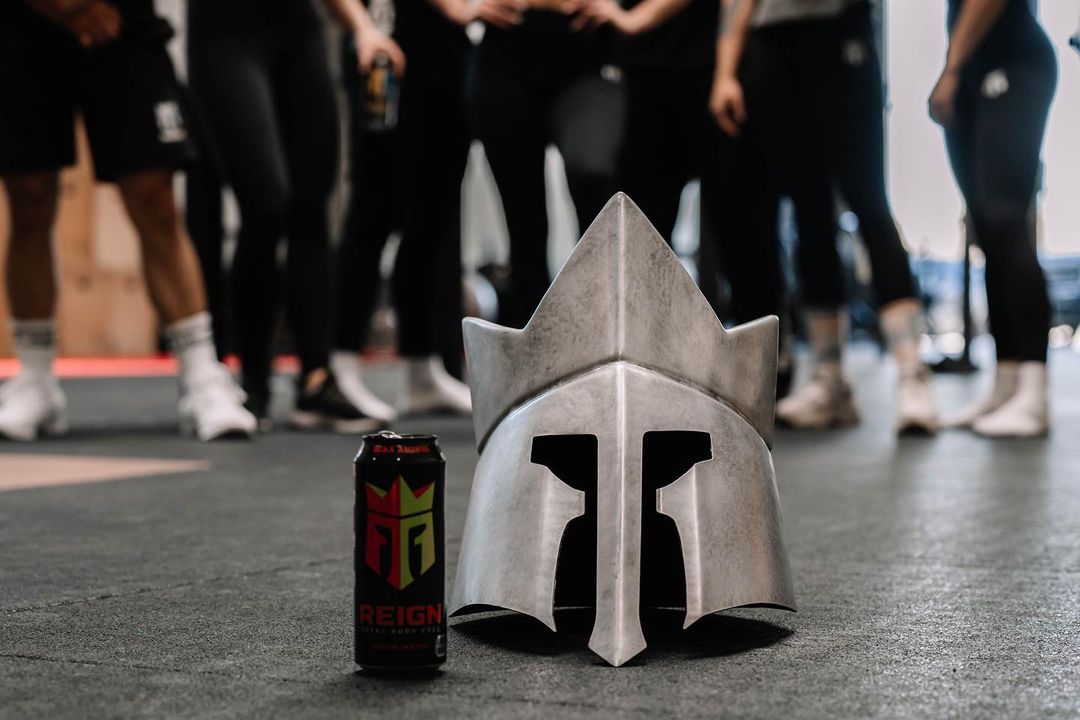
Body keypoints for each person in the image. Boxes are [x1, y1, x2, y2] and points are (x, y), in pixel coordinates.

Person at [0, 0, 256, 441]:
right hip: (24, 25)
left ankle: (202, 376)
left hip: (122, 21)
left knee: (155, 198)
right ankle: (35, 378)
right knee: (29, 201)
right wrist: (67, 7)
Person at [711, 0, 939, 434]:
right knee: (809, 210)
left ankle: (913, 377)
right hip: (772, 42)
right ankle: (831, 381)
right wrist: (725, 72)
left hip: (837, 29)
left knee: (867, 201)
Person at [186, 0, 403, 432]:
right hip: (225, 31)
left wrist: (362, 27)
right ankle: (253, 381)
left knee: (312, 205)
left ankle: (316, 380)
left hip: (299, 30)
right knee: (265, 202)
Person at [332, 0, 479, 418]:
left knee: (432, 218)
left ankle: (421, 370)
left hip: (446, 55)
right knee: (372, 211)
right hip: (386, 49)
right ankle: (340, 365)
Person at [930, 0, 1057, 437]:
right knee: (987, 229)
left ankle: (1035, 393)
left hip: (1015, 60)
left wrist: (951, 68)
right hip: (970, 72)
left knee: (1005, 218)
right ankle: (1006, 385)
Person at [470, 0, 626, 328]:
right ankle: (536, 339)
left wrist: (629, 14)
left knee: (594, 179)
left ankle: (599, 327)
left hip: (584, 52)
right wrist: (464, 7)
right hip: (506, 50)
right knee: (524, 222)